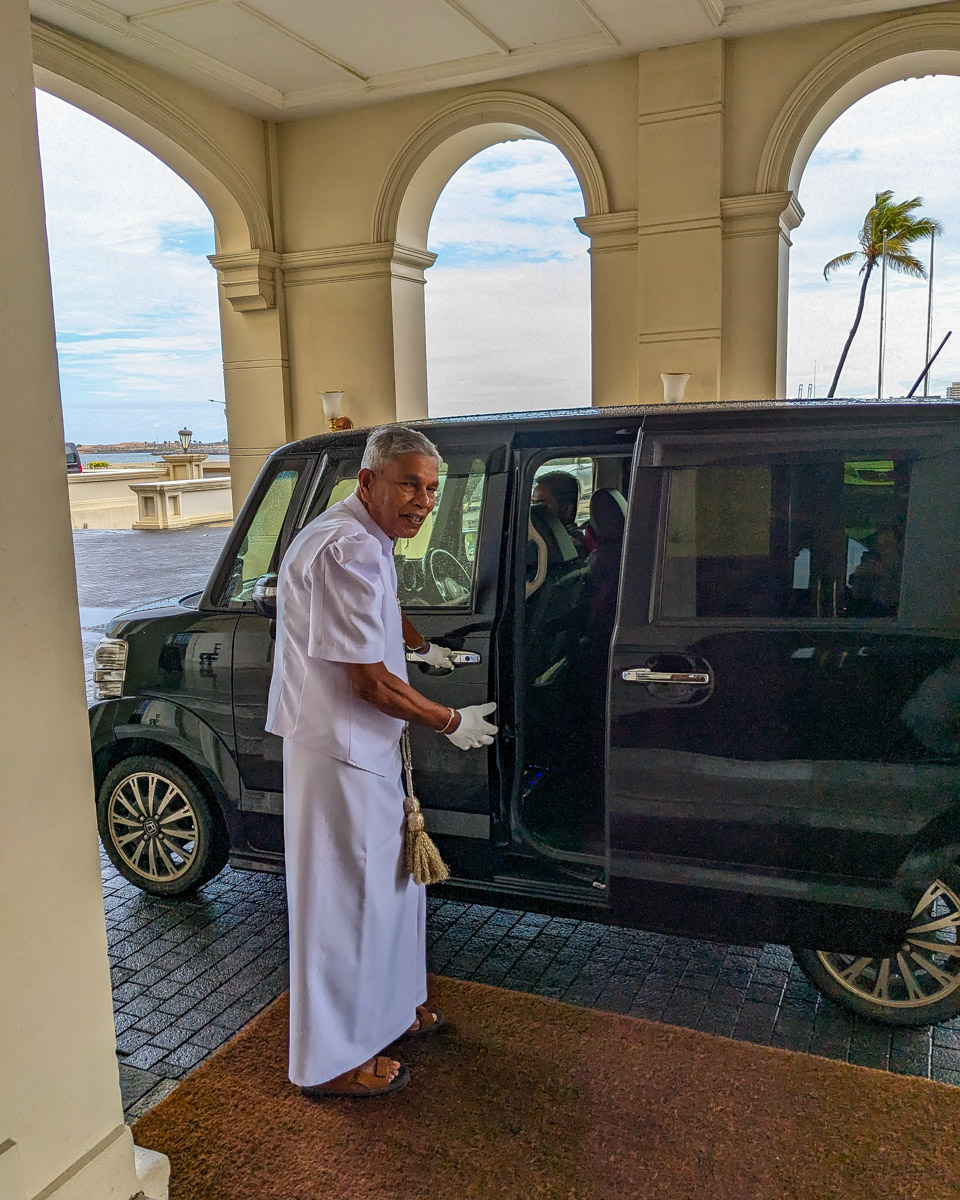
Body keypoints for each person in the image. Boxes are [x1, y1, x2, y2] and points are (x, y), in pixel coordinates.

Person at [266, 425, 497, 1098]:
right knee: (342, 905)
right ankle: (330, 1061)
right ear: (367, 482)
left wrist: (424, 651)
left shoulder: (365, 537)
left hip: (362, 745)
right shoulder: (347, 549)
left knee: (391, 890)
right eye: (408, 484)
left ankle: (393, 1012)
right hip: (337, 749)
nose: (423, 501)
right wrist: (451, 720)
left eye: (432, 488)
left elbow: (381, 614)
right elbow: (368, 682)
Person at [532, 471, 591, 556]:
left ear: (566, 509)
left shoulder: (565, 546)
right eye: (533, 503)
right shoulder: (543, 537)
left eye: (540, 505)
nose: (534, 510)